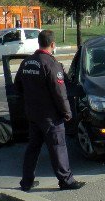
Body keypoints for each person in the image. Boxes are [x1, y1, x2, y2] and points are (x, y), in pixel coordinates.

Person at [14, 30, 85, 191]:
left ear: (39, 43)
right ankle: (66, 181)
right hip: (51, 116)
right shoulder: (51, 64)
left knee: (33, 148)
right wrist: (67, 112)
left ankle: (26, 182)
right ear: (53, 44)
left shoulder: (26, 63)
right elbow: (59, 92)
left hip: (33, 114)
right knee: (58, 147)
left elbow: (17, 86)